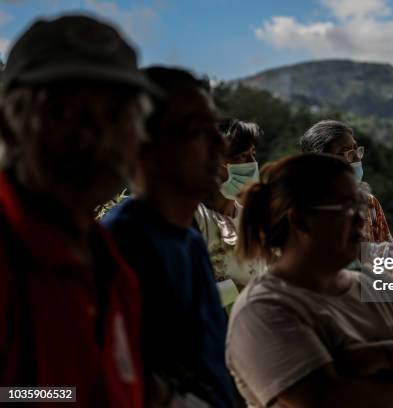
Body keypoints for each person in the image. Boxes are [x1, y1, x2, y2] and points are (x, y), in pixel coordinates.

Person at [0, 15, 158, 406]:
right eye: (65, 113)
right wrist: (68, 396)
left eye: (118, 115)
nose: (96, 136)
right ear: (8, 125)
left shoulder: (110, 265)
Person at [226, 153, 393, 408]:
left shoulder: (372, 281)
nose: (360, 218)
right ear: (300, 220)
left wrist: (377, 356)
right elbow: (329, 399)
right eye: (345, 207)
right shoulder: (264, 309)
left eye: (358, 205)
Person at [101, 67, 234, 407]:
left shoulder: (187, 241)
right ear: (143, 143)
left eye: (216, 128)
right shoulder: (121, 243)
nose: (220, 143)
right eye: (198, 130)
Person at [194, 119, 265, 301]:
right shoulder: (195, 217)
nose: (252, 163)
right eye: (241, 156)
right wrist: (237, 289)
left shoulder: (251, 219)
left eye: (253, 154)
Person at [299, 120, 393, 243]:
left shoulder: (369, 203)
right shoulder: (304, 209)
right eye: (347, 152)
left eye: (356, 149)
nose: (357, 158)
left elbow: (386, 253)